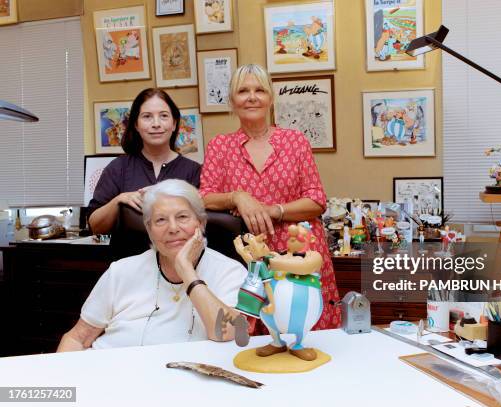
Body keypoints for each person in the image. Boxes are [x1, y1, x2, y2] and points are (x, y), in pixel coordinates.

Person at [199, 64, 341, 332]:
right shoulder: (220, 146)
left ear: (270, 98)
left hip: (299, 252)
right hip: (249, 257)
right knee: (255, 335)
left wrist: (272, 210)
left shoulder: (295, 141)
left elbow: (316, 199)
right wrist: (237, 197)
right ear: (232, 100)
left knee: (306, 328)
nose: (252, 97)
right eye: (243, 91)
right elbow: (204, 197)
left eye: (259, 90)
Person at [58, 180, 248, 351]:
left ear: (201, 223)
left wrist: (187, 271)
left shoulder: (230, 271)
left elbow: (227, 332)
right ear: (149, 230)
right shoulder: (121, 271)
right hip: (110, 375)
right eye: (160, 220)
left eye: (182, 217)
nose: (173, 228)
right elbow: (77, 339)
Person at [88, 88, 202, 259]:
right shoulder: (118, 168)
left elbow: (201, 226)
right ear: (136, 124)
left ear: (174, 123)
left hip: (180, 270)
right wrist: (119, 200)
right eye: (147, 116)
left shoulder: (193, 171)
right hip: (128, 268)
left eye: (163, 116)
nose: (156, 123)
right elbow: (95, 226)